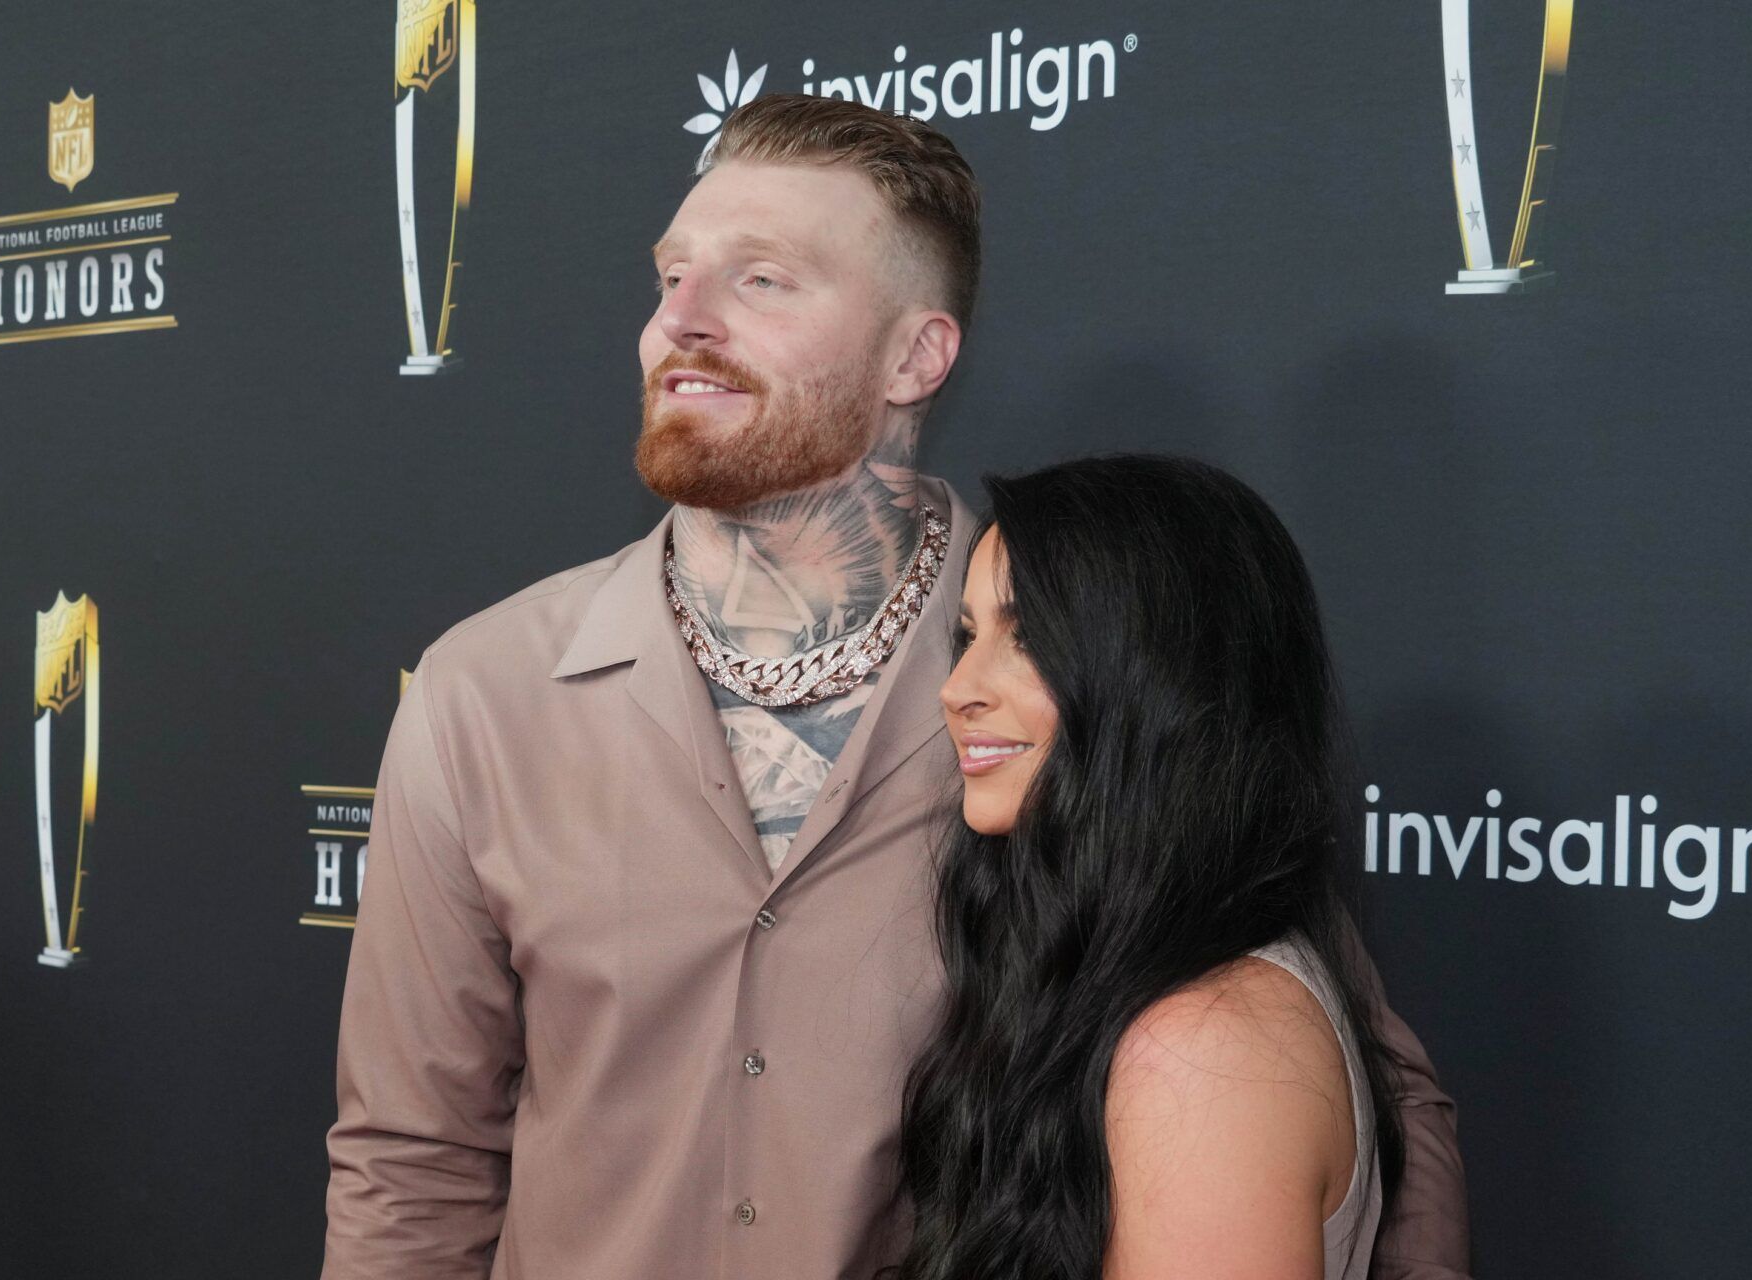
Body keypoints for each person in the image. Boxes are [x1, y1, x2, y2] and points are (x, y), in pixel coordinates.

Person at [321, 95, 1469, 1279]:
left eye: (761, 280)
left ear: (916, 355)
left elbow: (1366, 1091)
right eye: (671, 276)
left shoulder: (1071, 681)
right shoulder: (483, 692)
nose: (680, 320)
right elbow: (414, 1162)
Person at [901, 455, 1407, 1280]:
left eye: (1027, 636)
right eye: (968, 634)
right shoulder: (1128, 988)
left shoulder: (1209, 1048)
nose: (959, 687)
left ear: (1162, 677)